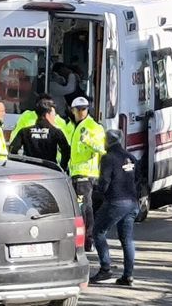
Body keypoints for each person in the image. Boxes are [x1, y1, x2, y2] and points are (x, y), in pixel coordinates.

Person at [89, 130, 140, 286]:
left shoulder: (108, 158)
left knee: (97, 232)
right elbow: (137, 179)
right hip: (132, 202)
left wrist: (96, 191)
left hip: (116, 202)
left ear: (107, 141)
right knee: (127, 239)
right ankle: (128, 275)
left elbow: (104, 182)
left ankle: (105, 268)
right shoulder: (131, 157)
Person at [68, 96, 106, 252]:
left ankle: (88, 240)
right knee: (81, 208)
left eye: (84, 109)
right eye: (79, 109)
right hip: (76, 174)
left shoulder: (93, 126)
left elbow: (102, 149)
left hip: (86, 174)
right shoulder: (77, 126)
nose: (82, 112)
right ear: (73, 111)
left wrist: (88, 140)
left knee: (84, 208)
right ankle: (84, 239)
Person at [9, 98, 71, 170]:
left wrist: (23, 165)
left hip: (30, 170)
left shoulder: (24, 131)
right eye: (53, 114)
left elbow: (12, 151)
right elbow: (66, 152)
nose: (54, 117)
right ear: (47, 115)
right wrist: (61, 168)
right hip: (50, 171)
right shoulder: (56, 132)